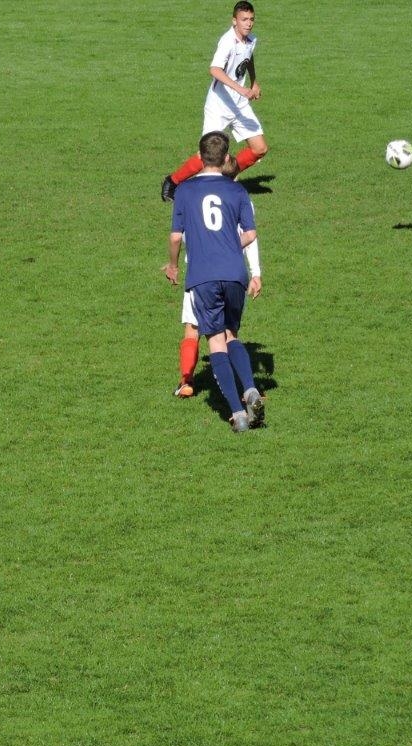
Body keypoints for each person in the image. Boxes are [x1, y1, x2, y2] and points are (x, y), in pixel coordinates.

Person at [164, 132, 264, 432]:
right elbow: (250, 234)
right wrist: (229, 248)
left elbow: (175, 237)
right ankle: (250, 388)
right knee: (232, 334)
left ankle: (237, 413)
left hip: (203, 275)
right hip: (234, 272)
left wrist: (172, 265)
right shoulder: (237, 190)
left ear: (199, 156)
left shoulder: (185, 190)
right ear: (226, 158)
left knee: (216, 341)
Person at [161, 1, 269, 202]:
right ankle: (172, 182)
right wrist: (240, 88)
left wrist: (254, 81)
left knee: (259, 148)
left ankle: (226, 178)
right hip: (219, 105)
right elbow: (214, 69)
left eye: (251, 19)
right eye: (244, 19)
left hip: (239, 104)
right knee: (207, 156)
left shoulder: (250, 40)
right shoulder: (227, 41)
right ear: (234, 21)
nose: (248, 23)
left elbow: (248, 58)